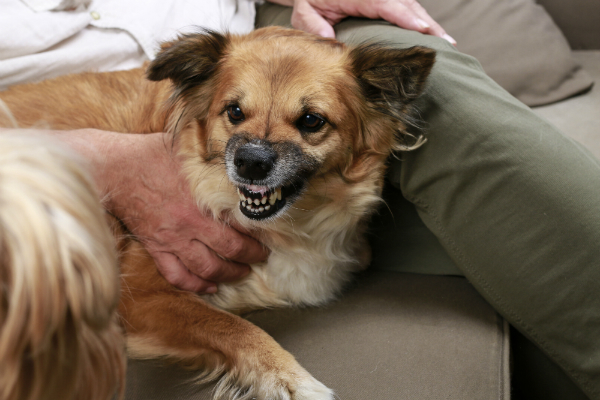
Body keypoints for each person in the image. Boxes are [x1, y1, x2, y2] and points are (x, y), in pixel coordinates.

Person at [1, 0, 598, 399]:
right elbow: (145, 306)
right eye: (238, 121)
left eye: (307, 123)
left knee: (451, 103)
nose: (258, 149)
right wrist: (91, 158)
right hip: (44, 113)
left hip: (252, 20)